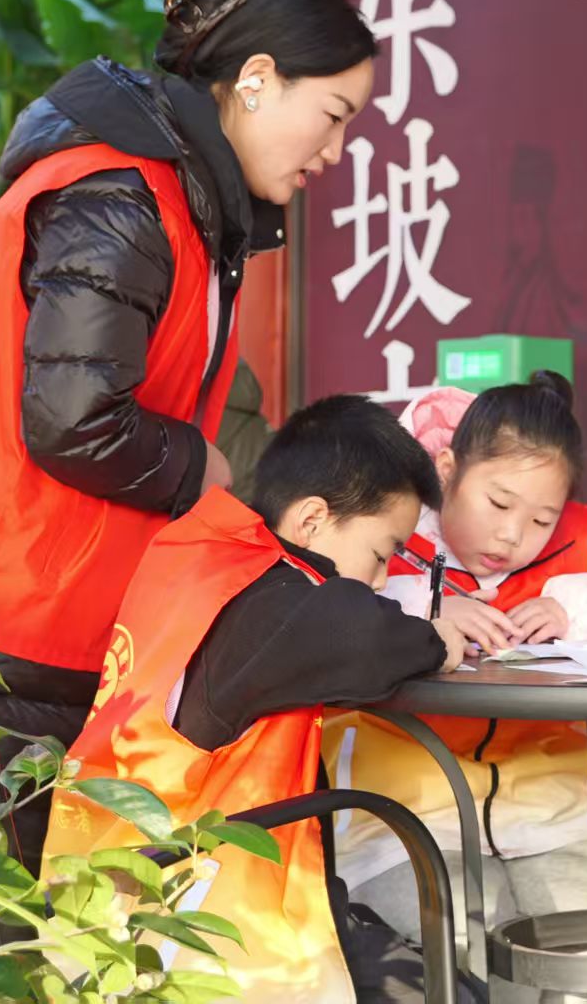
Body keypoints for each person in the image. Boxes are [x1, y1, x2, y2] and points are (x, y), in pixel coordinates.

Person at [0, 0, 376, 870]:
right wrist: (199, 466)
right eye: (333, 115)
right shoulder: (123, 197)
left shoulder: (163, 194)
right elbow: (73, 419)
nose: (335, 150)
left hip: (7, 612)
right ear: (255, 80)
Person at [44, 395, 475, 1003]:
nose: (381, 580)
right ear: (311, 520)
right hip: (192, 917)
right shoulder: (270, 604)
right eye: (381, 555)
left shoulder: (208, 557)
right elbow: (362, 636)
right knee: (452, 990)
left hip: (108, 885)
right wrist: (436, 640)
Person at [331, 373, 587, 949]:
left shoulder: (579, 543)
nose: (513, 534)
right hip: (406, 825)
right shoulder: (392, 525)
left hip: (556, 821)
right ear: (447, 469)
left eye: (542, 520)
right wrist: (425, 608)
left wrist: (570, 606)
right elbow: (326, 599)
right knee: (465, 950)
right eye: (498, 503)